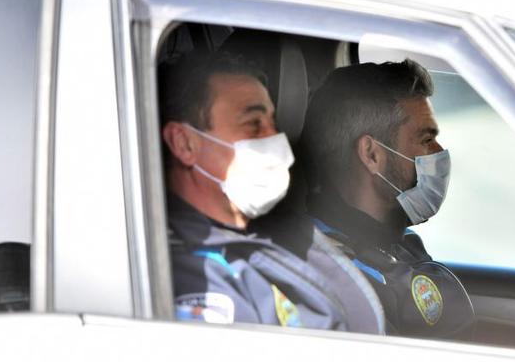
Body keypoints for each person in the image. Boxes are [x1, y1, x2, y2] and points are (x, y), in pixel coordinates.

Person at [159, 50, 384, 333]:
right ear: (184, 144)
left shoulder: (272, 234)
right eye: (253, 124)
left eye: (272, 124)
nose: (275, 141)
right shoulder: (196, 276)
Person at [301, 59, 474, 338]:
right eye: (425, 138)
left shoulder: (397, 242)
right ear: (372, 155)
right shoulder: (335, 279)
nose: (438, 151)